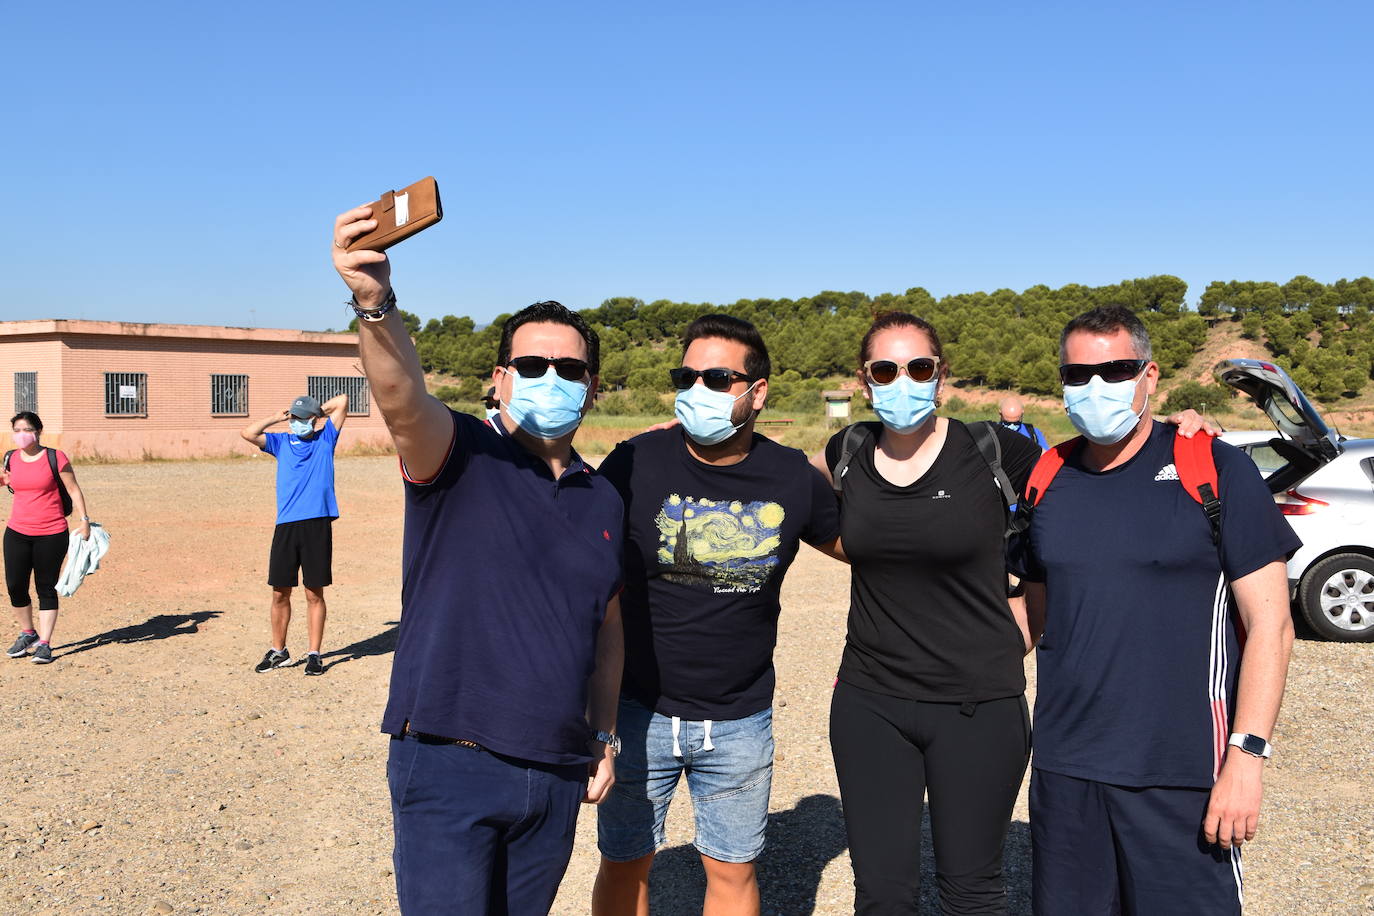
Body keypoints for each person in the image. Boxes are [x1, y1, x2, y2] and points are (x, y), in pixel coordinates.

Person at [332, 204, 624, 915]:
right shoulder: (457, 451)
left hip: (556, 772)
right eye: (531, 364)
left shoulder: (604, 497)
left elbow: (607, 630)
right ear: (499, 377)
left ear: (590, 386)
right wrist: (376, 303)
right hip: (448, 761)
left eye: (568, 368)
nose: (549, 378)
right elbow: (401, 398)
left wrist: (604, 735)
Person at [1014, 305, 1298, 915]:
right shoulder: (1046, 476)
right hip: (1067, 771)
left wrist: (1246, 760)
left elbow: (1273, 626)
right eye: (1077, 375)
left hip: (1182, 771)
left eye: (1115, 371)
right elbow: (1031, 620)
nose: (1095, 389)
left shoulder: (1214, 468)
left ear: (1150, 376)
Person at [591, 314, 842, 916]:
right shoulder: (633, 463)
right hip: (637, 710)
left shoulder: (791, 476)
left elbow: (868, 549)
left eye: (718, 378)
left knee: (732, 872)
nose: (697, 389)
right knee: (624, 865)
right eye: (688, 375)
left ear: (757, 394)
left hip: (739, 718)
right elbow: (572, 561)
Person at [813, 313, 1042, 915]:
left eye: (919, 367)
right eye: (885, 370)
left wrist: (1027, 620)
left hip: (978, 705)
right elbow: (783, 497)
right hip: (870, 703)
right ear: (865, 381)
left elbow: (1074, 529)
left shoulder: (997, 451)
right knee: (883, 893)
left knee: (970, 892)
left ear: (942, 377)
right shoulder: (846, 450)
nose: (902, 381)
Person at [240, 392, 348, 676]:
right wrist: (278, 417)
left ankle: (314, 654)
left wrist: (314, 411)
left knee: (314, 593)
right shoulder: (281, 442)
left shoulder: (326, 439)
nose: (297, 423)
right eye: (294, 418)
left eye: (303, 419)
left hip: (317, 525)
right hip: (286, 525)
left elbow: (343, 400)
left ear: (313, 420)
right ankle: (279, 651)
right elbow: (248, 433)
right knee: (279, 592)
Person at [2, 412, 92, 665]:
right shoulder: (11, 457)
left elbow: (73, 489)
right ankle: (28, 633)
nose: (21, 434)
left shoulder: (55, 457)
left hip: (51, 533)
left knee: (45, 586)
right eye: (17, 429)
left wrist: (84, 521)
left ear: (38, 431)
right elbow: (10, 481)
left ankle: (45, 643)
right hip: (17, 532)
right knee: (15, 585)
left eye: (26, 429)